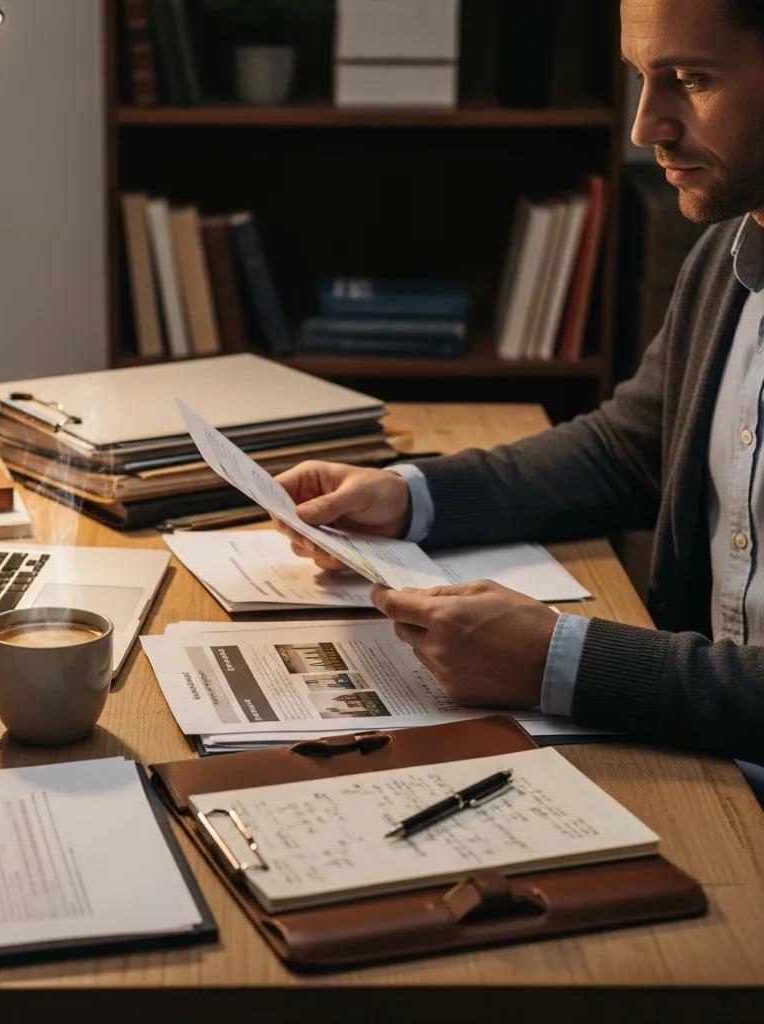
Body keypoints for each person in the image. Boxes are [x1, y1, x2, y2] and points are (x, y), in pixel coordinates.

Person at [275, 0, 764, 774]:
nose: (646, 127)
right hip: (700, 762)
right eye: (641, 78)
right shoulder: (730, 256)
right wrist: (408, 497)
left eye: (690, 81)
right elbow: (626, 453)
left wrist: (562, 661)